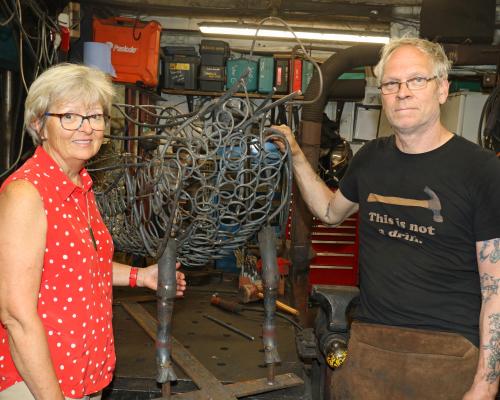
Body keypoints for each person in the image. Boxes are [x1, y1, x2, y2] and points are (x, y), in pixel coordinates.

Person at [274, 37, 500, 399]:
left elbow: (496, 292)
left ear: (442, 89)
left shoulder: (482, 170)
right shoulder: (370, 159)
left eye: (416, 80)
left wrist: (485, 385)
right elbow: (331, 213)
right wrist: (297, 155)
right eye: (391, 84)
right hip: (370, 349)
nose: (402, 93)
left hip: (448, 354)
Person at [0, 64, 187, 400]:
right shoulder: (27, 194)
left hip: (84, 373)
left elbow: (80, 266)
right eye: (69, 116)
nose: (85, 128)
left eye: (95, 116)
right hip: (38, 382)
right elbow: (15, 314)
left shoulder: (81, 186)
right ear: (39, 125)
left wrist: (140, 276)